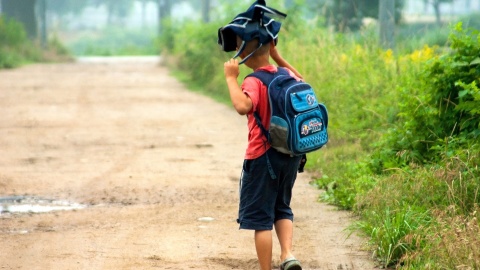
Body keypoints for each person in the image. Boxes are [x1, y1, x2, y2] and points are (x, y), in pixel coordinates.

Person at [223, 33, 304, 270]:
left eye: (238, 48)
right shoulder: (285, 74)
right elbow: (301, 79)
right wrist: (277, 56)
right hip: (290, 154)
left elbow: (242, 106)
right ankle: (287, 254)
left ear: (244, 55)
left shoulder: (253, 81)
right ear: (270, 47)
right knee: (282, 207)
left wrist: (230, 78)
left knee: (261, 220)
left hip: (262, 157)